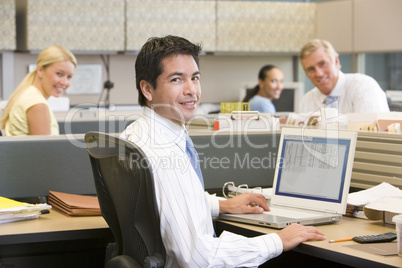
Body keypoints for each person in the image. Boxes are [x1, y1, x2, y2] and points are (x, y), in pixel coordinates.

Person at [120, 35, 325, 267]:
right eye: (176, 79)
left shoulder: (137, 133)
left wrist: (223, 205)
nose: (192, 90)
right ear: (147, 89)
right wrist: (277, 240)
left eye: (195, 78)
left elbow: (165, 204)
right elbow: (198, 258)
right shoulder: (163, 152)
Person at [0, 45, 76, 136]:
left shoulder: (28, 94)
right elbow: (44, 149)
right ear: (40, 70)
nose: (64, 82)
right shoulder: (37, 104)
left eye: (69, 77)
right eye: (59, 74)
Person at [299, 39, 390, 114]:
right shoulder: (307, 100)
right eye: (311, 69)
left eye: (322, 64)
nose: (318, 73)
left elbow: (370, 133)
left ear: (336, 61)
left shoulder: (363, 87)